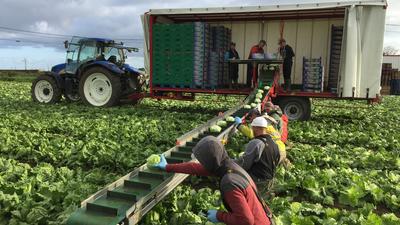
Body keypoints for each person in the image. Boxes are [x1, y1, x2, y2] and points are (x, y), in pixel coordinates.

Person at [153, 136, 273, 225]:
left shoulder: (229, 182)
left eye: (202, 160)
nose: (201, 163)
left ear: (210, 161)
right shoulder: (230, 166)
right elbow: (196, 168)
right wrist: (168, 167)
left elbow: (246, 221)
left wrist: (219, 216)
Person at [235, 117, 280, 198]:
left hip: (258, 181)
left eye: (252, 128)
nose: (252, 130)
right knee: (262, 201)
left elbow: (244, 164)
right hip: (269, 180)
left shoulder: (256, 143)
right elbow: (277, 159)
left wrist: (231, 162)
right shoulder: (274, 143)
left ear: (256, 128)